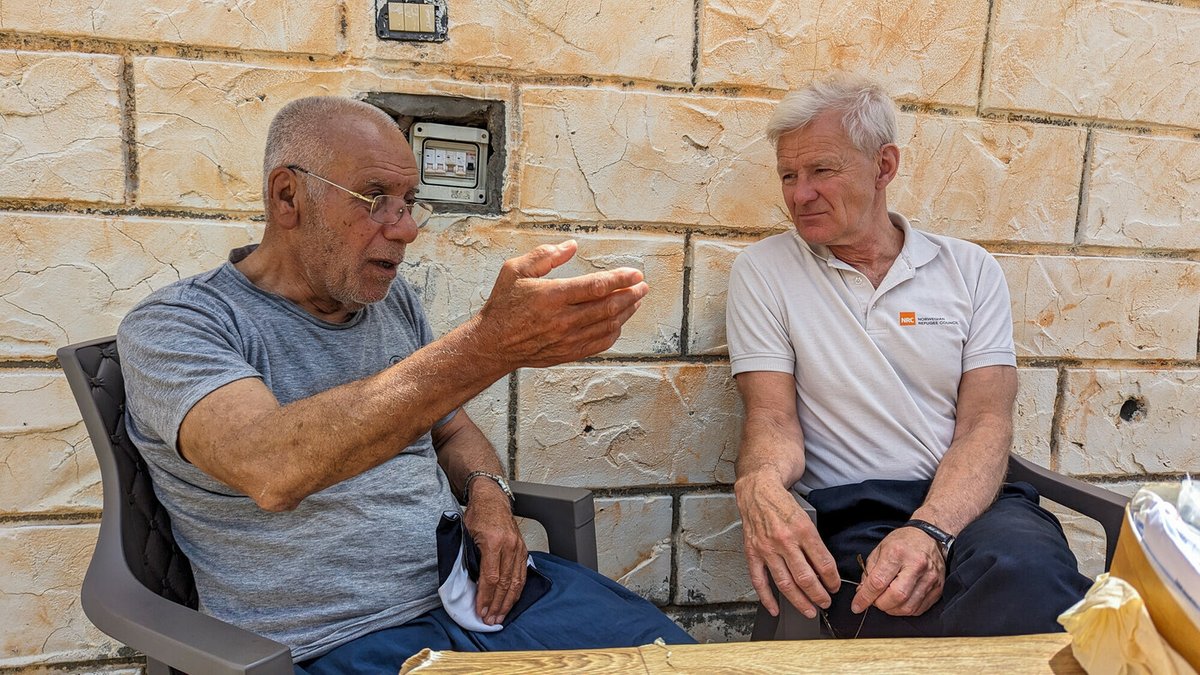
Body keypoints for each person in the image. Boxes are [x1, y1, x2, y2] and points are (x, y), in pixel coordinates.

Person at [116, 96, 693, 673]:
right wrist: (489, 346)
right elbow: (271, 469)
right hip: (339, 639)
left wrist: (489, 497)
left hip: (482, 595)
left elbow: (452, 430)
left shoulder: (392, 306)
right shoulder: (179, 325)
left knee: (683, 663)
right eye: (376, 201)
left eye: (411, 203)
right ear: (288, 197)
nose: (408, 229)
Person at [727, 75, 1090, 638]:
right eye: (788, 176)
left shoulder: (969, 269)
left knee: (1028, 574)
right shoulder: (765, 271)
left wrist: (933, 529)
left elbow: (986, 422)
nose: (800, 194)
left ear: (884, 166)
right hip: (854, 510)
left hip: (971, 499)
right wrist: (760, 481)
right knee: (892, 605)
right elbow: (771, 417)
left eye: (821, 171)